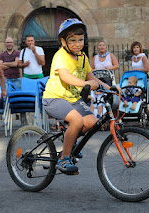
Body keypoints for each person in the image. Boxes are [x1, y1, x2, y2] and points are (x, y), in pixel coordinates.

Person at [42, 18, 109, 175]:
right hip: (54, 98)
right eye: (72, 40)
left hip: (73, 99)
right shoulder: (60, 56)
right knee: (77, 121)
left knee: (92, 122)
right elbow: (65, 77)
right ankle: (64, 159)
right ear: (63, 42)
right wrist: (85, 84)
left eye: (80, 40)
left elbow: (91, 76)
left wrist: (109, 86)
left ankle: (68, 141)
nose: (78, 44)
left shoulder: (83, 57)